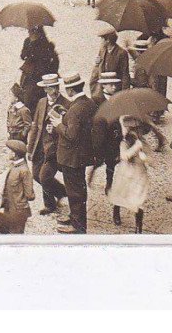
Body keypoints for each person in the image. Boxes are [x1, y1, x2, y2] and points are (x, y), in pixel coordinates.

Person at [50, 72, 97, 234]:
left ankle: (78, 226)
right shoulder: (89, 103)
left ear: (70, 91)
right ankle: (74, 217)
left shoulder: (76, 109)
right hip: (82, 156)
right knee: (77, 189)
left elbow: (71, 135)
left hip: (72, 158)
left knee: (75, 192)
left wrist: (58, 124)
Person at [26, 73, 68, 215]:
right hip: (39, 146)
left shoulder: (66, 103)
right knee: (36, 175)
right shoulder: (41, 102)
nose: (53, 90)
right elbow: (35, 126)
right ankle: (61, 191)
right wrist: (30, 148)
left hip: (54, 148)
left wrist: (55, 129)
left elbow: (67, 128)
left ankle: (49, 205)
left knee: (45, 176)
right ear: (45, 89)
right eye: (50, 88)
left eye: (55, 87)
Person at [90, 72, 125, 223]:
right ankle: (93, 173)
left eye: (115, 84)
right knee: (99, 161)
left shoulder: (120, 99)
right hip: (101, 139)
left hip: (115, 139)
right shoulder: (96, 100)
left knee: (113, 166)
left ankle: (110, 184)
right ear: (103, 85)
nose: (114, 87)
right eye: (111, 84)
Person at [107, 116, 151, 233]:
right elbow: (124, 156)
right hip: (125, 173)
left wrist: (146, 158)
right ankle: (116, 211)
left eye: (137, 129)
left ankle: (138, 226)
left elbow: (151, 160)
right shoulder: (125, 142)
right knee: (120, 194)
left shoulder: (143, 142)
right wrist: (136, 148)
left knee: (139, 200)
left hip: (139, 174)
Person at [0, 140, 35, 234]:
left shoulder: (24, 170)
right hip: (9, 209)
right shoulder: (14, 166)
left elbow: (30, 195)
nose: (7, 153)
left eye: (9, 151)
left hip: (18, 212)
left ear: (15, 154)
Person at [19, 25, 60, 111]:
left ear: (38, 32)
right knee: (27, 97)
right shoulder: (27, 41)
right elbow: (22, 56)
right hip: (30, 75)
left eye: (31, 31)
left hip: (41, 75)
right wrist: (30, 45)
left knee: (41, 98)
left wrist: (33, 44)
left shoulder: (46, 44)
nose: (29, 33)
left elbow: (48, 60)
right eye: (29, 31)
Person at [89, 24, 130, 101]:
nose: (101, 41)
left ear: (108, 40)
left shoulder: (121, 53)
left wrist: (125, 94)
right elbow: (98, 68)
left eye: (102, 39)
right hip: (103, 89)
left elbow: (125, 74)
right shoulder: (102, 50)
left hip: (115, 89)